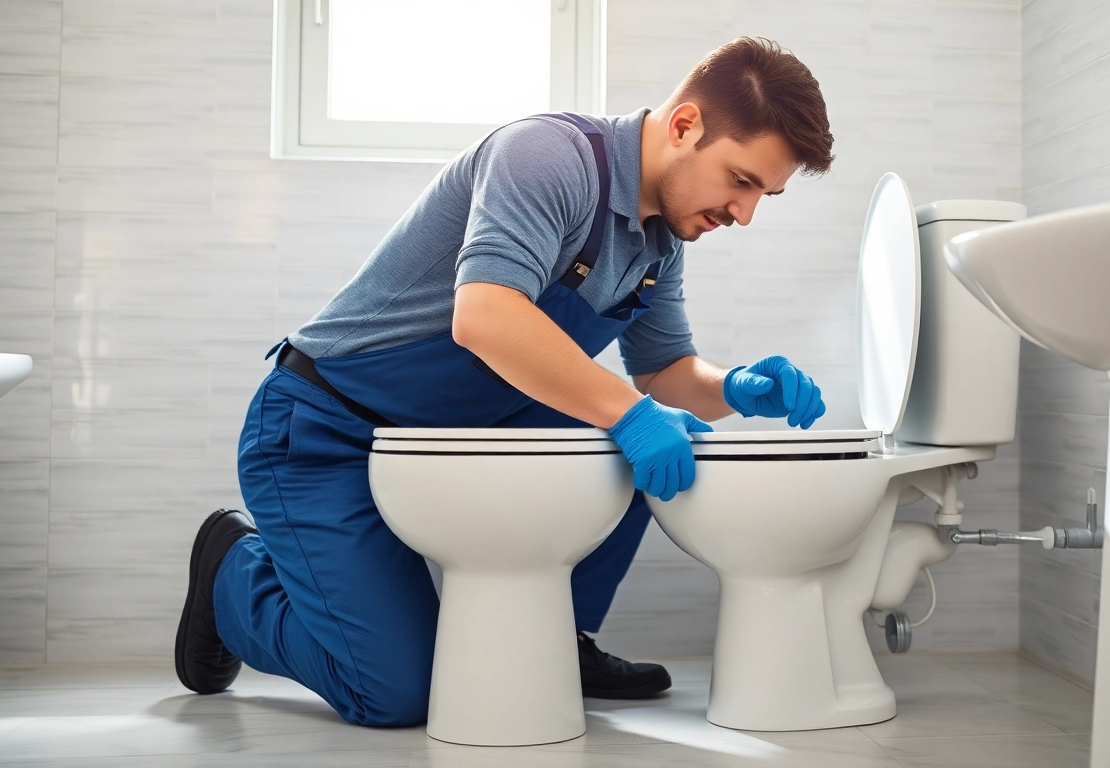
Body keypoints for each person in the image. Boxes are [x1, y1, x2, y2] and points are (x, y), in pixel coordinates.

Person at [175, 36, 835, 727]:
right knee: (396, 695)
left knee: (653, 442)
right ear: (684, 126)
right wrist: (630, 414)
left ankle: (559, 638)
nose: (746, 213)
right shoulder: (548, 157)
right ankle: (231, 576)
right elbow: (486, 316)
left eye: (765, 194)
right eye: (741, 180)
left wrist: (734, 389)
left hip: (445, 433)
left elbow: (664, 371)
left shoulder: (661, 242)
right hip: (323, 428)